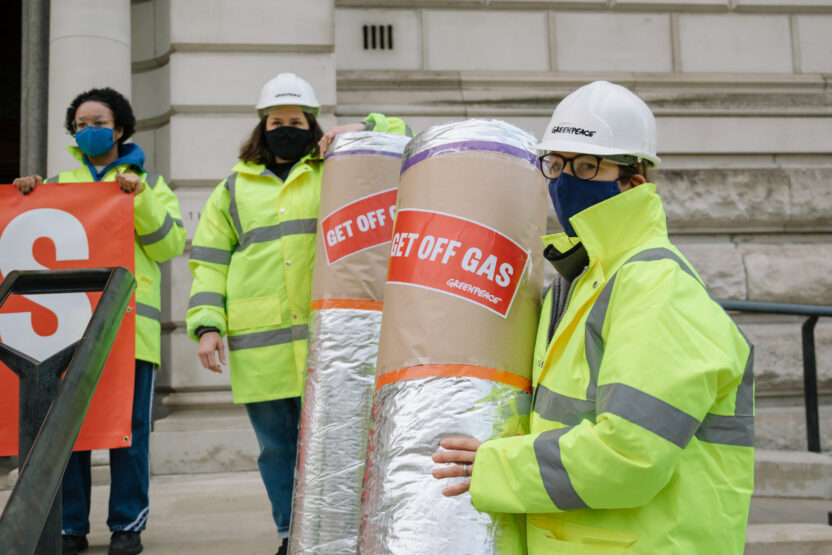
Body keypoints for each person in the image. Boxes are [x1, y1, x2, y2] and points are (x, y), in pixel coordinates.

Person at [432, 81, 754, 554]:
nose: (564, 181)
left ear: (634, 179)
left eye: (586, 165)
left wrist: (495, 467)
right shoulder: (583, 278)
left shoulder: (657, 289)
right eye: (556, 165)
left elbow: (630, 455)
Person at [185, 72, 410, 555]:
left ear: (312, 125)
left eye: (295, 120)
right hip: (260, 345)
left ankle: (341, 535)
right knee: (277, 451)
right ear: (261, 128)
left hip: (327, 344)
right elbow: (208, 262)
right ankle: (293, 535)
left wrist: (361, 125)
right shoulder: (232, 189)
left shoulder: (337, 167)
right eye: (276, 120)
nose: (285, 127)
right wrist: (207, 326)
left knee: (339, 444)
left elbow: (400, 137)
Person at [13, 87, 186, 555]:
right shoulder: (58, 183)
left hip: (132, 334)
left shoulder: (150, 183)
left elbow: (169, 246)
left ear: (121, 128)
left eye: (99, 122)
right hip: (70, 333)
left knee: (130, 436)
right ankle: (71, 527)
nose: (90, 130)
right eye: (81, 124)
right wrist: (29, 196)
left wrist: (141, 197)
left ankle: (127, 526)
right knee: (71, 434)